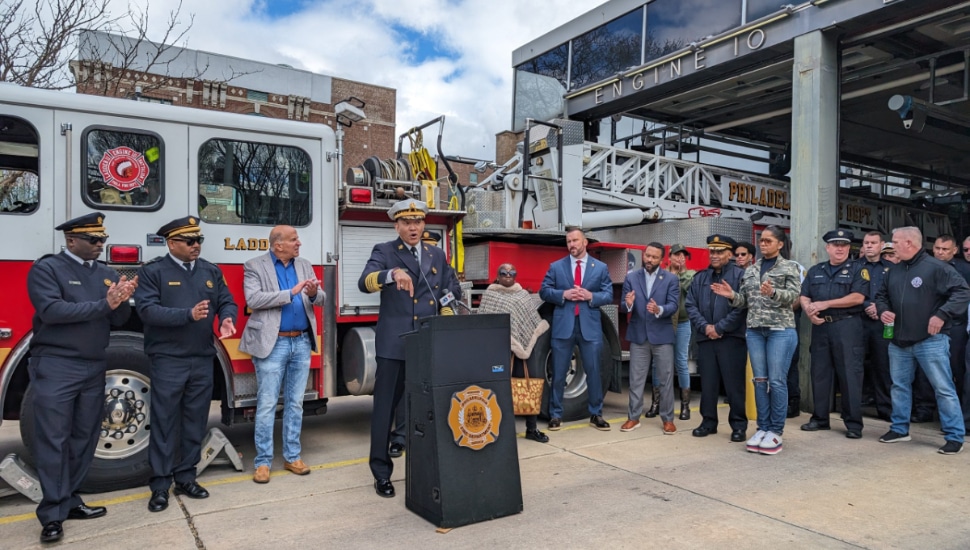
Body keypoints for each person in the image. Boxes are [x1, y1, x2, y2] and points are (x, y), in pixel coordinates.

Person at [26, 212, 137, 544]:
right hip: (57, 365)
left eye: (102, 239)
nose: (100, 245)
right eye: (93, 240)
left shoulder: (105, 274)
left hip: (93, 365)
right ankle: (52, 515)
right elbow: (53, 312)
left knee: (83, 439)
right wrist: (105, 304)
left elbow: (119, 319)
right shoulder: (47, 269)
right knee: (53, 441)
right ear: (71, 240)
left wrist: (122, 300)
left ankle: (70, 500)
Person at [358, 199, 461, 498]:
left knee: (425, 408)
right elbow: (364, 282)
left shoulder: (436, 253)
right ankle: (381, 472)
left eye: (417, 221)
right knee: (384, 410)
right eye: (406, 222)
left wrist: (447, 312)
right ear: (396, 225)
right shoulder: (385, 251)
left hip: (425, 343)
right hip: (394, 344)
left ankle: (425, 467)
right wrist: (391, 275)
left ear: (424, 224)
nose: (412, 227)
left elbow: (449, 289)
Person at [136, 216, 237, 512]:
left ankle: (186, 477)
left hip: (202, 358)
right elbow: (147, 311)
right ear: (171, 243)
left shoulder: (210, 271)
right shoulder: (154, 271)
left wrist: (227, 317)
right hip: (168, 359)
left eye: (199, 241)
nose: (196, 246)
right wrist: (187, 315)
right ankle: (159, 485)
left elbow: (226, 300)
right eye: (190, 241)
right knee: (165, 423)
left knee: (195, 422)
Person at [240, 225, 326, 484]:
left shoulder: (305, 264)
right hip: (272, 343)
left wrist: (313, 293)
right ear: (278, 245)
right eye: (293, 239)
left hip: (300, 342)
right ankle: (263, 462)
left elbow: (320, 299)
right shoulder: (254, 265)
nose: (298, 243)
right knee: (267, 404)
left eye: (297, 239)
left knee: (295, 403)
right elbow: (253, 300)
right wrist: (291, 293)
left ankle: (292, 456)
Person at [875, 227, 970, 454]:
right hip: (898, 340)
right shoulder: (893, 271)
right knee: (899, 386)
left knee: (943, 388)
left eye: (895, 242)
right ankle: (899, 429)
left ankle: (955, 436)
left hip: (931, 340)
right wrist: (883, 310)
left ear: (909, 243)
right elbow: (881, 296)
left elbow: (963, 291)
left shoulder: (937, 268)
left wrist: (942, 315)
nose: (891, 245)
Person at [712, 226, 800, 455]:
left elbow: (793, 296)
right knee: (759, 380)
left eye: (769, 241)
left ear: (780, 244)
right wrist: (732, 296)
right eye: (761, 240)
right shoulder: (751, 270)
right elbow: (746, 301)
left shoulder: (790, 267)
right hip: (755, 331)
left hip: (780, 329)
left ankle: (776, 431)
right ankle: (763, 427)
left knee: (777, 381)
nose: (763, 244)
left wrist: (773, 293)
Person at [540, 227, 614, 432]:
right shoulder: (556, 267)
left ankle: (596, 413)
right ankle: (555, 415)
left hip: (589, 328)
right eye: (568, 242)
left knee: (594, 372)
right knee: (559, 373)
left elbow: (607, 294)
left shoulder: (599, 268)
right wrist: (564, 294)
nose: (571, 245)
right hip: (563, 328)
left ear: (585, 242)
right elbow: (544, 291)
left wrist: (591, 296)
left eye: (575, 240)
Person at [799, 230, 868, 438]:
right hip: (820, 326)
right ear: (827, 248)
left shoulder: (859, 269)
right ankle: (820, 419)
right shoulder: (815, 270)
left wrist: (825, 304)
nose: (840, 248)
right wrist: (809, 311)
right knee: (820, 374)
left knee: (849, 375)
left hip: (846, 326)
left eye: (844, 245)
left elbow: (858, 298)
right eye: (835, 245)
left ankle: (853, 424)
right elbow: (804, 295)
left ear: (849, 248)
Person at [388, 229, 447, 458]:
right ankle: (401, 437)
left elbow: (450, 288)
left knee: (430, 386)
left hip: (431, 330)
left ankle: (429, 433)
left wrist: (447, 309)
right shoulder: (402, 262)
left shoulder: (440, 262)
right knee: (406, 387)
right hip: (407, 331)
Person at [478, 263, 551, 443]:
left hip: (524, 347)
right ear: (497, 275)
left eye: (512, 272)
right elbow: (484, 320)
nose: (508, 275)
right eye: (504, 272)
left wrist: (525, 343)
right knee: (500, 389)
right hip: (498, 348)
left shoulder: (522, 295)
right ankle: (499, 430)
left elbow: (532, 321)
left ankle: (531, 429)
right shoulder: (491, 294)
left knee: (529, 386)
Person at [686, 235, 748, 442]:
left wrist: (720, 328)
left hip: (731, 339)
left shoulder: (741, 276)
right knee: (708, 384)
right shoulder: (700, 277)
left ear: (729, 254)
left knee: (734, 386)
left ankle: (738, 425)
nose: (714, 255)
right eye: (712, 251)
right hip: (706, 339)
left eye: (719, 251)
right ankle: (708, 422)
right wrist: (706, 328)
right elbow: (691, 306)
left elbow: (742, 307)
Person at [619, 242, 679, 434]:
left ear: (662, 260)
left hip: (662, 335)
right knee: (636, 379)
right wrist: (628, 304)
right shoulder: (631, 277)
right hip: (639, 335)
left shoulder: (670, 279)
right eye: (647, 256)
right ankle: (633, 418)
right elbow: (623, 305)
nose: (649, 260)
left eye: (654, 257)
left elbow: (673, 305)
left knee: (665, 379)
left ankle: (668, 419)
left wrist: (659, 309)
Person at [859, 231, 893, 421]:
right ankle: (854, 406)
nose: (869, 246)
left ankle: (886, 409)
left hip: (882, 324)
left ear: (882, 245)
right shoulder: (854, 267)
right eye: (866, 243)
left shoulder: (892, 268)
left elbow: (895, 295)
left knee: (883, 366)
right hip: (858, 321)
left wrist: (879, 308)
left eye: (873, 242)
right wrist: (866, 306)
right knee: (856, 366)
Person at [668, 243, 696, 420]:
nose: (680, 258)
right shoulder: (663, 274)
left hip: (684, 323)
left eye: (683, 256)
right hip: (663, 324)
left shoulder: (690, 275)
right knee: (659, 363)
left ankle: (685, 405)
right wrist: (671, 276)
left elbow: (689, 290)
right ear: (669, 257)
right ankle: (657, 402)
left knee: (681, 361)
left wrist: (679, 274)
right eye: (676, 255)